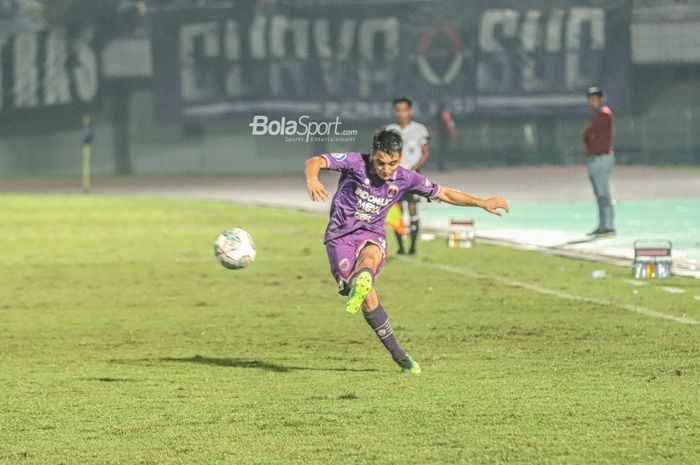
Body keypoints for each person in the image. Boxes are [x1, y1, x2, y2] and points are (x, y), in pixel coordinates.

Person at [304, 129, 509, 374]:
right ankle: (399, 355)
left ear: (400, 159)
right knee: (368, 300)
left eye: (393, 163)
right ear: (372, 156)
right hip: (340, 238)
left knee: (370, 258)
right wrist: (313, 179)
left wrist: (481, 202)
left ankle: (363, 277)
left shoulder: (405, 178)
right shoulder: (355, 162)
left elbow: (443, 192)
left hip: (372, 234)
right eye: (380, 162)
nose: (386, 169)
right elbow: (314, 161)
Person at [385, 97, 430, 255]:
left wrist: (414, 168)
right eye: (398, 110)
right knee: (396, 210)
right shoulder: (390, 130)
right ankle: (400, 247)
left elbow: (425, 152)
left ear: (410, 110)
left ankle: (412, 247)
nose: (401, 113)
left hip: (412, 175)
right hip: (395, 176)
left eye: (404, 109)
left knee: (412, 209)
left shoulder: (419, 129)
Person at [581, 86, 615, 236]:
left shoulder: (604, 114)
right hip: (595, 158)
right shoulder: (597, 115)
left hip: (601, 158)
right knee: (599, 194)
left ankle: (608, 226)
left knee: (603, 194)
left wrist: (589, 134)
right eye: (590, 99)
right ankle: (603, 225)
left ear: (600, 99)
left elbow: (587, 133)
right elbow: (587, 135)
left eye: (594, 99)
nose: (591, 102)